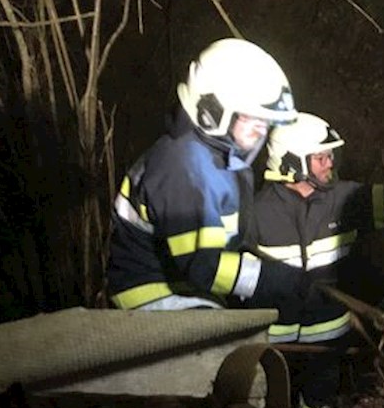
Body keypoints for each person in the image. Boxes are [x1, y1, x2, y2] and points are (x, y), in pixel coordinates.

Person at [106, 38, 304, 311]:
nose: (261, 130)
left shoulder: (217, 160)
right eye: (251, 118)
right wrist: (273, 280)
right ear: (211, 109)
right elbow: (203, 265)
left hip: (186, 289)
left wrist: (270, 273)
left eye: (265, 121)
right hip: (152, 297)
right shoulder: (183, 165)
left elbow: (220, 249)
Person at [252, 112, 384, 408]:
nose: (330, 163)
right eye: (320, 157)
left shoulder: (349, 199)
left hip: (329, 343)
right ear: (292, 162)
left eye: (330, 156)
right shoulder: (255, 213)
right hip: (273, 348)